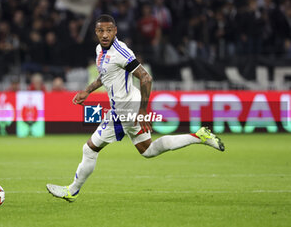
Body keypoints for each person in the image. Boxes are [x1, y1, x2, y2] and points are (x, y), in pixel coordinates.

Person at [46, 15, 225, 202]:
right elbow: (104, 75)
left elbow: (146, 78)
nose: (105, 34)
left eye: (109, 30)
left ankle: (72, 190)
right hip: (127, 106)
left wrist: (142, 112)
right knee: (148, 151)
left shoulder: (121, 52)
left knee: (90, 149)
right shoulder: (100, 49)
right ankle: (198, 136)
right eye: (101, 31)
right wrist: (87, 91)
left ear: (116, 31)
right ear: (96, 33)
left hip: (124, 110)